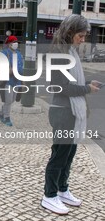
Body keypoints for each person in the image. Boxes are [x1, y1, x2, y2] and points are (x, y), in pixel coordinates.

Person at [41, 14, 100, 215]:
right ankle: (49, 196)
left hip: (73, 112)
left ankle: (62, 189)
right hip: (62, 112)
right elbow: (60, 87)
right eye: (80, 36)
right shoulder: (58, 54)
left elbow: (72, 82)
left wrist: (86, 87)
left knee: (69, 154)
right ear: (69, 32)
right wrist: (86, 89)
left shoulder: (71, 52)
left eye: (85, 36)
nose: (83, 40)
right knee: (60, 155)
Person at [0, 35, 23, 127]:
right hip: (7, 79)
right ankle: (6, 117)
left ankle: (0, 112)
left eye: (16, 42)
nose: (16, 44)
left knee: (13, 99)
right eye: (14, 42)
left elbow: (21, 66)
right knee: (8, 99)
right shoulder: (4, 53)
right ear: (9, 44)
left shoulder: (19, 54)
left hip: (17, 80)